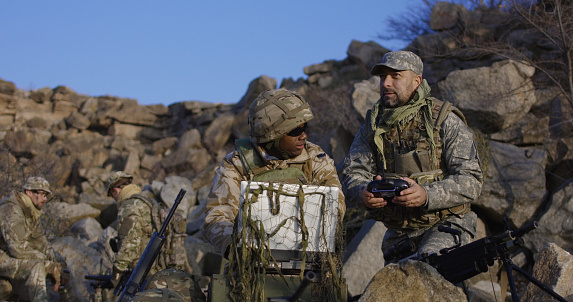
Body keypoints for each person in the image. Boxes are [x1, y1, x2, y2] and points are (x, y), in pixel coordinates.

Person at [342, 51, 483, 264]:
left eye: (395, 76)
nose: (386, 83)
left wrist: (426, 195)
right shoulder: (372, 126)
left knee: (427, 270)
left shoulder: (444, 120)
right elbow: (353, 174)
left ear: (416, 81)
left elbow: (471, 181)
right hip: (399, 235)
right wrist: (364, 193)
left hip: (445, 226)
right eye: (382, 77)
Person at [202, 87, 346, 257]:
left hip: (308, 262)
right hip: (253, 266)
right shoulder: (237, 164)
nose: (304, 136)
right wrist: (236, 248)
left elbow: (335, 206)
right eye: (295, 131)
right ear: (271, 134)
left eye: (305, 127)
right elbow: (217, 215)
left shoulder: (315, 159)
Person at [0, 177, 66, 302]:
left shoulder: (30, 213)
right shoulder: (11, 210)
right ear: (28, 193)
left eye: (46, 195)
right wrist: (50, 266)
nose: (45, 199)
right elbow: (18, 249)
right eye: (41, 194)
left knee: (62, 270)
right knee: (36, 266)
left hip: (7, 259)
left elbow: (41, 243)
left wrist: (60, 264)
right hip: (4, 257)